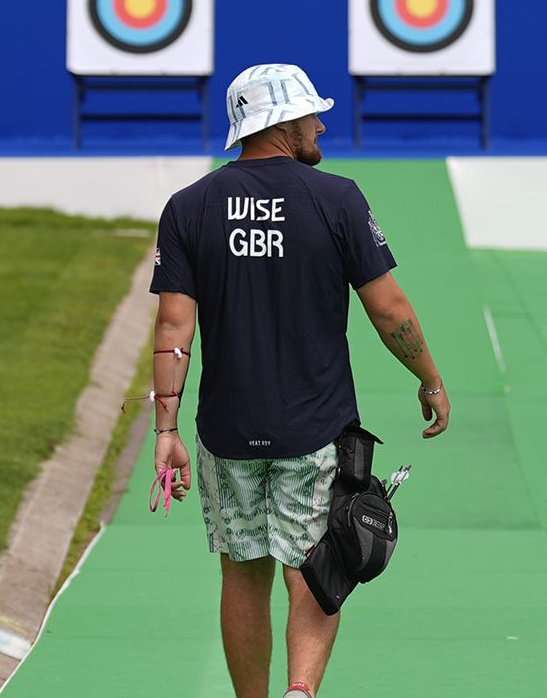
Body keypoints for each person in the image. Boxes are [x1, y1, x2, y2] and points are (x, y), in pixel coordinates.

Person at [145, 63, 453, 698]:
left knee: (243, 572)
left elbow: (175, 325)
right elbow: (389, 308)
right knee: (316, 567)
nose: (321, 123)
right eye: (312, 113)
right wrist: (428, 377)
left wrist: (166, 428)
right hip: (315, 430)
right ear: (282, 123)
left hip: (226, 431)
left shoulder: (189, 207)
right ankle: (300, 692)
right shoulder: (337, 198)